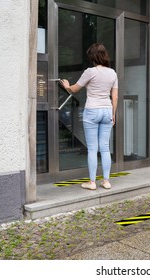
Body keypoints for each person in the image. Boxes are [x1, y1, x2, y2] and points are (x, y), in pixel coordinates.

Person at [61, 43, 118, 190]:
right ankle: (106, 181)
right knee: (105, 148)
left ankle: (92, 182)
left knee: (92, 148)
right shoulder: (112, 73)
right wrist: (113, 114)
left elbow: (74, 89)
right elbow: (115, 96)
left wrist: (67, 85)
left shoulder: (90, 72)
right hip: (107, 110)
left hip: (92, 110)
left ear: (92, 57)